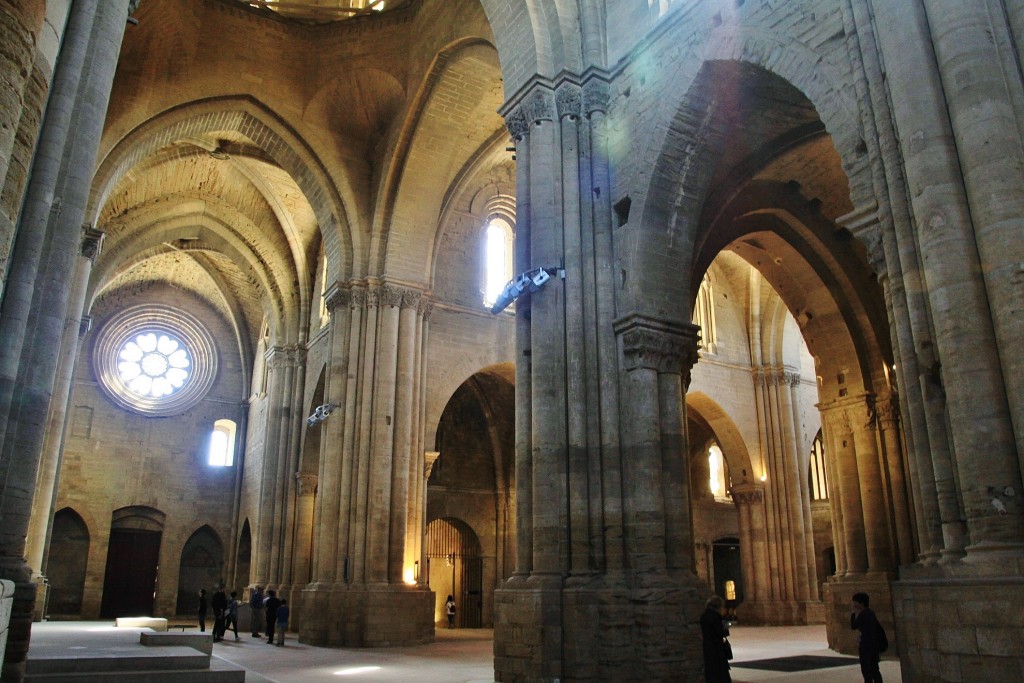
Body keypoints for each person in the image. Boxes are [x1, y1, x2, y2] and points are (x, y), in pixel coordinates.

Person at [851, 592, 883, 683]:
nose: (854, 604)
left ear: (861, 603)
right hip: (873, 645)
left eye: (855, 602)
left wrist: (853, 614)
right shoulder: (871, 613)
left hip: (866, 646)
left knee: (867, 671)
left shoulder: (863, 614)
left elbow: (853, 626)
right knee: (875, 670)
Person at [699, 594, 731, 683]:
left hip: (707, 645)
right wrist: (726, 628)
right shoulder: (716, 617)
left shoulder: (704, 616)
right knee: (719, 670)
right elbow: (720, 632)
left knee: (710, 669)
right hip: (716, 646)